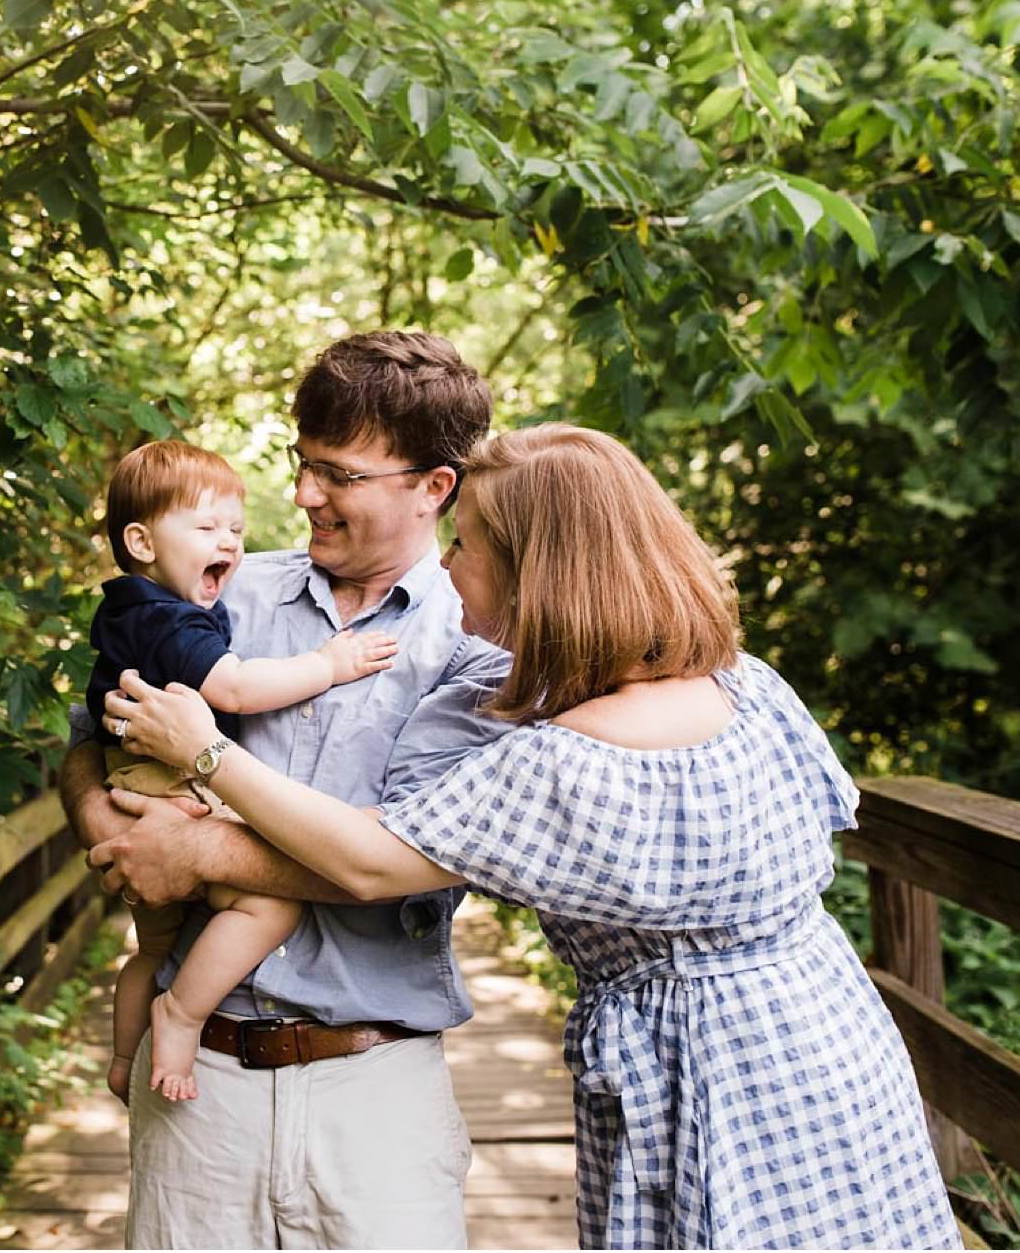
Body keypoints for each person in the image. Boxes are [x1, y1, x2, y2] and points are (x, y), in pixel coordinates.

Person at [101, 423, 964, 1251]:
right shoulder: (746, 683)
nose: (447, 562)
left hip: (716, 1082)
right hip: (831, 1035)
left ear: (538, 572)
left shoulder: (570, 760)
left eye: (468, 544)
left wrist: (207, 755)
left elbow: (370, 858)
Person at [61, 330, 512, 1249]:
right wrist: (107, 823)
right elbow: (87, 729)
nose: (304, 495)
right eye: (302, 466)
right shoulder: (223, 592)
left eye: (339, 475)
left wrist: (194, 851)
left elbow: (418, 860)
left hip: (374, 1094)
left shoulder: (478, 645)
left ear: (435, 487)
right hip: (198, 1088)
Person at [84, 439, 399, 1105]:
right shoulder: (166, 615)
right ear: (141, 541)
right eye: (206, 527)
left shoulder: (136, 607)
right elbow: (234, 688)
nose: (228, 541)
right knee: (270, 901)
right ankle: (182, 1014)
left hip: (139, 780)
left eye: (235, 527)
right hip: (167, 784)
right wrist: (330, 665)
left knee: (152, 948)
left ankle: (122, 1056)